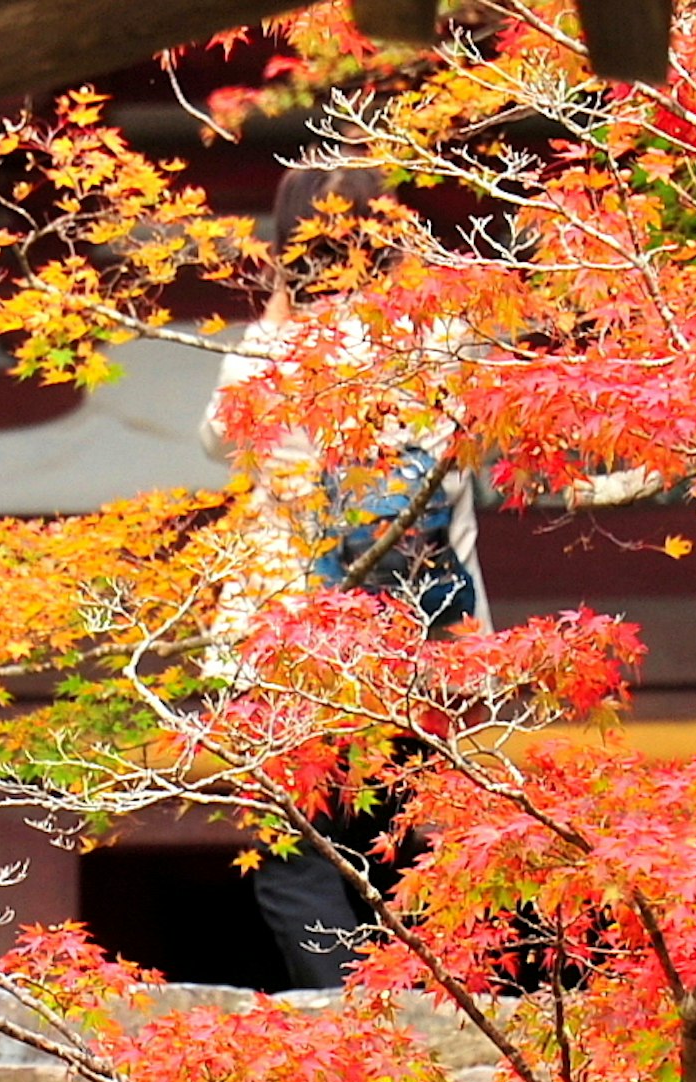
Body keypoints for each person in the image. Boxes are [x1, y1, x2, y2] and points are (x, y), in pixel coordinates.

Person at [201, 163, 487, 991]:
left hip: (286, 630)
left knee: (294, 845)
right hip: (406, 633)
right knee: (399, 832)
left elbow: (219, 438)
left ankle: (344, 1013)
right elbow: (462, 494)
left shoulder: (280, 348)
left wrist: (276, 313)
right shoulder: (438, 339)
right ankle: (430, 1002)